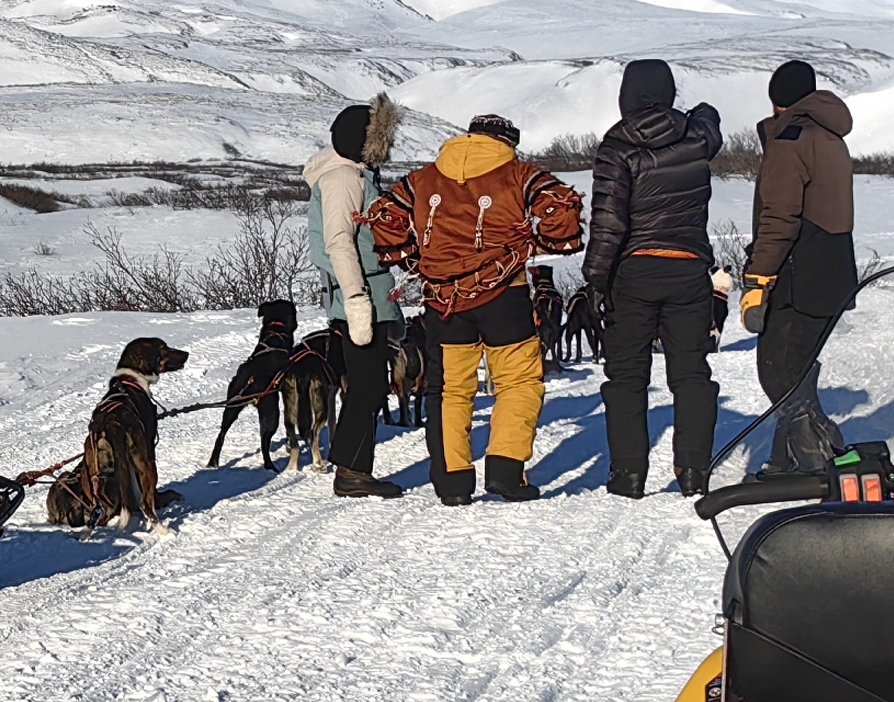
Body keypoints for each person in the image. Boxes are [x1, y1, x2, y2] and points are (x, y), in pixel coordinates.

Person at [393, 115, 583, 504]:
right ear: (507, 143)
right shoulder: (519, 174)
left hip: (443, 301)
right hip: (505, 295)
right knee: (518, 383)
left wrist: (418, 258)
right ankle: (506, 472)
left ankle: (453, 484)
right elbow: (562, 206)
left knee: (449, 390)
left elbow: (384, 222)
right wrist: (545, 242)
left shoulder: (421, 179)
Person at [585, 59, 726, 497]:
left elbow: (609, 224)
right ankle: (694, 470)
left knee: (627, 375)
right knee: (691, 373)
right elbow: (709, 118)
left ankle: (628, 473)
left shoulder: (617, 145)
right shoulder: (696, 138)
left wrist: (595, 279)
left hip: (636, 269)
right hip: (688, 266)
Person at [743, 58, 860, 473]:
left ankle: (816, 463)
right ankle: (784, 458)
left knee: (778, 372)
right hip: (832, 270)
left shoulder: (790, 140)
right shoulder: (830, 135)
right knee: (798, 367)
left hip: (798, 273)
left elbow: (779, 218)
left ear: (778, 100)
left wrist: (758, 278)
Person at [305, 101, 408, 497]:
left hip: (365, 293)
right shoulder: (344, 179)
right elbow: (339, 242)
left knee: (366, 385)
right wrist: (356, 299)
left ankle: (352, 465)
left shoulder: (351, 174)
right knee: (367, 386)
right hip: (361, 296)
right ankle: (351, 470)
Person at [49, 337, 190, 530]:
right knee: (144, 461)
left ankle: (101, 503)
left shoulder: (111, 397)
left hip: (102, 426)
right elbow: (145, 461)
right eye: (163, 353)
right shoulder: (138, 400)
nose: (172, 356)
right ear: (147, 362)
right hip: (128, 422)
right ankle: (147, 503)